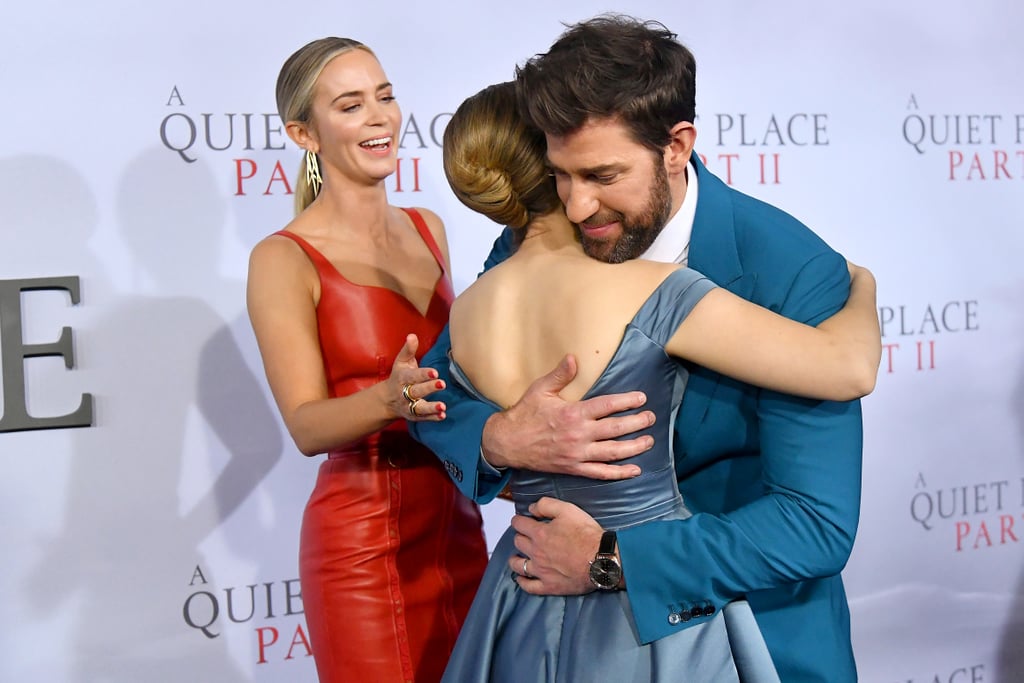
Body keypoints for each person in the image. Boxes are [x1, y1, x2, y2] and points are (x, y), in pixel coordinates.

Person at [411, 15, 872, 682]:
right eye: (560, 174)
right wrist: (498, 440)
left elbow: (816, 523)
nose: (575, 205)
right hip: (555, 639)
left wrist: (613, 557)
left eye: (601, 174)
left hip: (757, 640)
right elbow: (436, 391)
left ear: (677, 145)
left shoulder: (787, 268)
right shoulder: (531, 242)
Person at [246, 37, 488, 683]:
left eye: (384, 96)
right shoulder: (283, 257)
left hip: (459, 523)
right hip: (361, 543)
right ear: (305, 133)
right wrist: (388, 399)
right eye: (351, 105)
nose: (380, 117)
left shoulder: (428, 226)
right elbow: (304, 426)